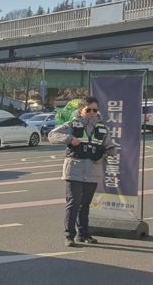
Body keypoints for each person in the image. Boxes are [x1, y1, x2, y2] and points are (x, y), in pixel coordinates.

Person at [48, 96, 116, 247]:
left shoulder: (102, 127)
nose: (92, 113)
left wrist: (109, 151)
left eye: (95, 110)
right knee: (73, 202)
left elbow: (110, 146)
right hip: (75, 169)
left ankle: (84, 234)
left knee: (85, 204)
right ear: (81, 110)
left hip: (93, 170)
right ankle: (69, 236)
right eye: (89, 110)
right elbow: (52, 135)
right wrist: (70, 139)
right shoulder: (72, 124)